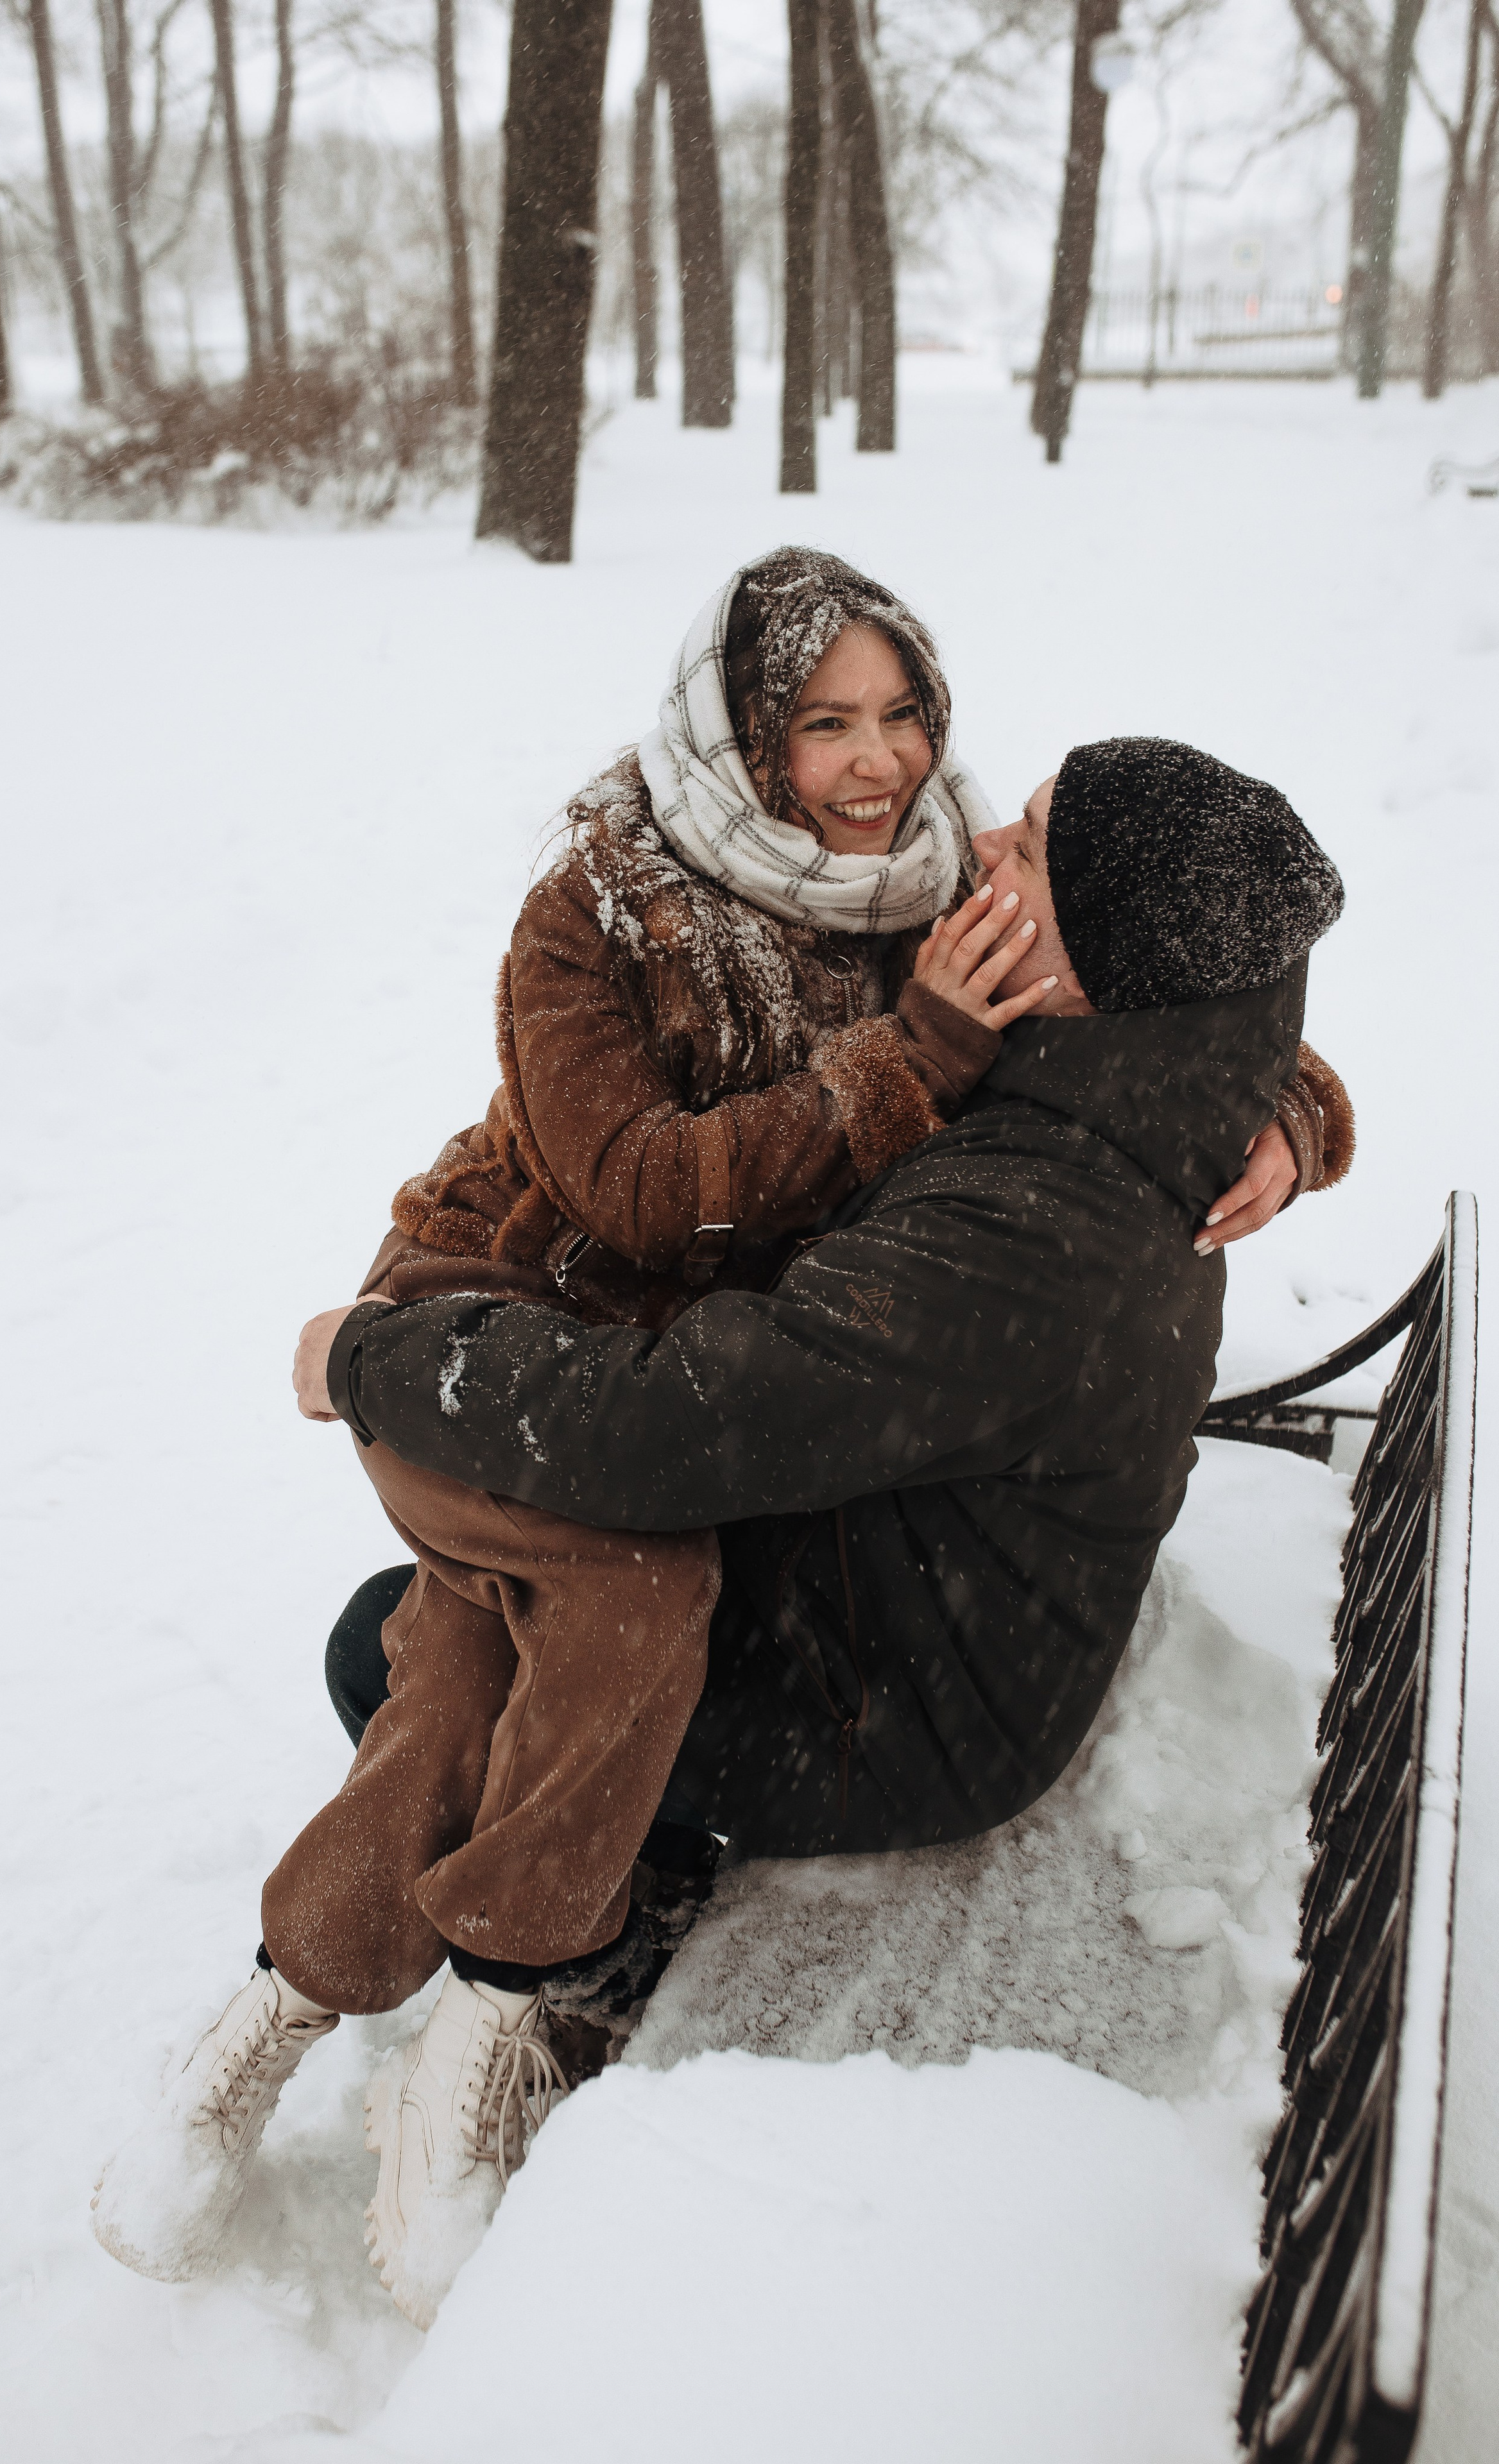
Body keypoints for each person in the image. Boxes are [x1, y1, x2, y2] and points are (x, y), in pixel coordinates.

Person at [91, 557, 1351, 2329]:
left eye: (905, 711)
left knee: (457, 1630)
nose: (888, 766)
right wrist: (930, 1055)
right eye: (824, 720)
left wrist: (1287, 1109)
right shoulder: (616, 919)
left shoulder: (966, 939)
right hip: (545, 1304)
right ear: (737, 737)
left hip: (757, 1457)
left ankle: (445, 1995)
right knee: (494, 1606)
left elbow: (1174, 955)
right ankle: (339, 1998)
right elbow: (641, 1196)